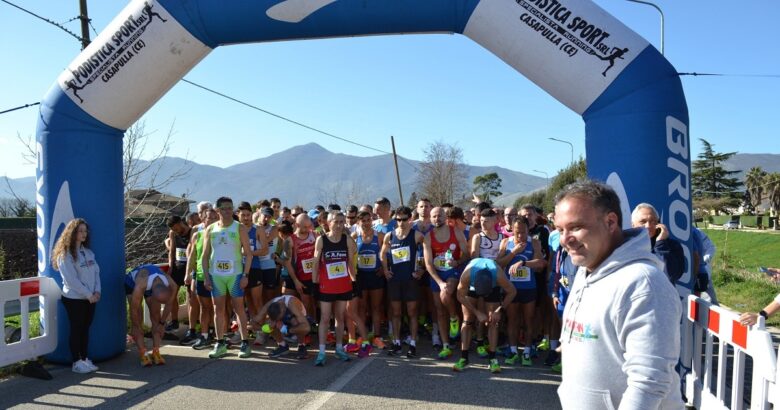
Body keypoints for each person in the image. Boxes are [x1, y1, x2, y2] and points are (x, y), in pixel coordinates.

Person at [555, 180, 683, 409]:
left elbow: (648, 383)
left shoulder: (644, 283)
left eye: (575, 227)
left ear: (611, 222)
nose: (565, 239)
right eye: (560, 229)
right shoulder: (586, 270)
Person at [312, 211, 371, 366]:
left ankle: (339, 348)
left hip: (343, 286)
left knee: (340, 317)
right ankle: (322, 351)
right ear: (328, 223)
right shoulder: (322, 240)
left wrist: (355, 282)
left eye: (341, 222)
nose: (338, 225)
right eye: (335, 222)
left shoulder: (347, 241)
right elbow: (316, 263)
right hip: (326, 286)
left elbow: (351, 264)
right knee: (325, 318)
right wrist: (314, 284)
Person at [201, 197, 254, 359]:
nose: (227, 211)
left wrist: (245, 275)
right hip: (216, 276)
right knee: (218, 309)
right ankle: (220, 342)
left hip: (235, 275)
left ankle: (245, 342)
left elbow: (249, 254)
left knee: (238, 308)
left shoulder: (239, 228)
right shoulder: (210, 229)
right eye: (223, 208)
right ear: (217, 211)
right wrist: (206, 277)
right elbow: (204, 256)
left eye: (230, 208)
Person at [52, 218, 101, 374]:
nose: (83, 234)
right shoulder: (64, 255)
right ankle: (76, 362)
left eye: (85, 231)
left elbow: (96, 273)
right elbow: (71, 280)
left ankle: (85, 358)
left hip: (91, 298)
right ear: (72, 233)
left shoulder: (88, 253)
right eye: (80, 231)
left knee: (85, 329)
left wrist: (97, 291)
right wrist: (88, 294)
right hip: (74, 299)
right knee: (76, 329)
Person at [497, 217, 546, 367]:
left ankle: (526, 352)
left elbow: (540, 264)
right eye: (517, 232)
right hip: (511, 289)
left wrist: (523, 262)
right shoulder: (506, 242)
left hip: (529, 288)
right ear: (512, 229)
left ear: (528, 230)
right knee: (513, 320)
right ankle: (513, 351)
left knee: (528, 320)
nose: (520, 236)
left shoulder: (534, 242)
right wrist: (513, 253)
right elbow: (498, 264)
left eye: (523, 232)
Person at [453, 258, 516, 373]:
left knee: (493, 320)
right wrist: (476, 312)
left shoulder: (498, 276)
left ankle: (492, 358)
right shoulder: (466, 276)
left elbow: (512, 292)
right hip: (472, 286)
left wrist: (499, 310)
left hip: (492, 287)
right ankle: (464, 358)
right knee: (467, 321)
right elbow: (459, 296)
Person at [424, 206, 469, 360]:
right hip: (436, 274)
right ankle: (445, 345)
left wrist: (457, 262)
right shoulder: (428, 237)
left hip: (452, 271)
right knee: (439, 310)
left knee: (447, 292)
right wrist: (438, 281)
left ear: (445, 216)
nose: (437, 219)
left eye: (440, 215)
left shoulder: (455, 231)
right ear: (431, 219)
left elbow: (466, 253)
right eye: (434, 216)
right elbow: (428, 264)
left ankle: (454, 318)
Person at [381, 206, 426, 357]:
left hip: (410, 279)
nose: (401, 222)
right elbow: (382, 254)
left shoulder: (416, 235)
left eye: (404, 219)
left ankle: (412, 344)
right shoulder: (389, 235)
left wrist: (421, 269)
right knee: (396, 313)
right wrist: (386, 270)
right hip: (395, 280)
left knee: (412, 313)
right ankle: (396, 343)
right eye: (398, 219)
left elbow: (423, 253)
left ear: (410, 219)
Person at [125, 264, 175, 367]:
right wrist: (136, 326)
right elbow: (133, 309)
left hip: (152, 283)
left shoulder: (171, 284)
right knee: (138, 319)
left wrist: (162, 323)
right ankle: (143, 353)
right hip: (132, 283)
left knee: (156, 316)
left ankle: (156, 352)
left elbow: (169, 304)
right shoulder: (141, 284)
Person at [352, 210, 387, 349]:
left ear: (371, 220)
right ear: (358, 222)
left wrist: (384, 268)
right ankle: (362, 335)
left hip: (375, 275)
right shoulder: (355, 236)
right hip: (361, 276)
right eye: (363, 221)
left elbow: (386, 254)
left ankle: (377, 336)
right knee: (362, 307)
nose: (366, 223)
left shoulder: (379, 236)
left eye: (368, 220)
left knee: (376, 307)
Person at [631, 203, 685, 285]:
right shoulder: (625, 246)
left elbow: (670, 275)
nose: (648, 226)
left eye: (653, 221)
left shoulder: (672, 246)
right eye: (643, 222)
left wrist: (661, 245)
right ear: (633, 225)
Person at [187, 206, 218, 350]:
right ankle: (204, 335)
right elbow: (192, 256)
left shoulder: (221, 234)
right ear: (203, 219)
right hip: (201, 275)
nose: (210, 220)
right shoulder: (197, 235)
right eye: (208, 218)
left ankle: (219, 337)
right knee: (205, 308)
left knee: (219, 308)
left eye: (213, 218)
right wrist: (188, 274)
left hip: (220, 275)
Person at [238, 202, 269, 327]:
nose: (246, 218)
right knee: (247, 300)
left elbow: (265, 249)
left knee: (257, 300)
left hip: (255, 268)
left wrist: (249, 253)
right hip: (239, 268)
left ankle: (263, 328)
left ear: (252, 214)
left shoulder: (258, 229)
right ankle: (254, 326)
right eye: (243, 215)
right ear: (238, 215)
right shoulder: (236, 229)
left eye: (248, 215)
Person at [252, 294, 311, 359]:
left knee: (295, 322)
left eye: (279, 318)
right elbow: (253, 323)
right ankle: (282, 345)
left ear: (283, 310)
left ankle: (301, 345)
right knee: (270, 323)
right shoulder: (269, 305)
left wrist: (287, 329)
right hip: (284, 318)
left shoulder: (292, 304)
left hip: (297, 319)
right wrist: (265, 328)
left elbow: (306, 327)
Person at [165, 215, 191, 333]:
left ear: (181, 223)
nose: (175, 231)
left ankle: (192, 325)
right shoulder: (173, 233)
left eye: (176, 228)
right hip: (177, 267)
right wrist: (170, 265)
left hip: (189, 268)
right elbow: (172, 250)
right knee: (171, 295)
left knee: (191, 298)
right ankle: (174, 321)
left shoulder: (192, 232)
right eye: (173, 230)